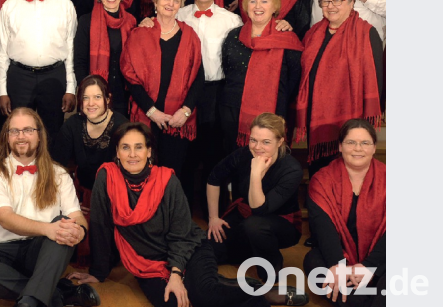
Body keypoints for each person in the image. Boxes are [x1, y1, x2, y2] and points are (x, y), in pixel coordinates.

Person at [69, 122, 301, 307]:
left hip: (188, 249)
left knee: (205, 296)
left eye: (139, 147)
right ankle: (222, 283)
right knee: (175, 303)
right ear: (117, 153)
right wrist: (99, 273)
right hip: (145, 263)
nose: (132, 154)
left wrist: (176, 274)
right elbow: (100, 226)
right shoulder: (106, 177)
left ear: (149, 151)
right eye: (125, 147)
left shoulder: (166, 179)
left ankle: (260, 295)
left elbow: (181, 234)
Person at [0, 108, 100, 307]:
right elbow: (5, 218)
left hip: (43, 253)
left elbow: (76, 216)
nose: (21, 136)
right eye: (14, 131)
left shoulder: (59, 174)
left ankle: (29, 302)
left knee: (63, 224)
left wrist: (79, 231)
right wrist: (48, 229)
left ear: (39, 135)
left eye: (27, 130)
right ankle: (57, 293)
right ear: (6, 137)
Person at [294, 0, 383, 175]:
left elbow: (376, 80)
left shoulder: (367, 33)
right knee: (319, 171)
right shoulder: (312, 34)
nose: (331, 6)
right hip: (316, 119)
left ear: (351, 2)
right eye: (325, 1)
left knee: (348, 172)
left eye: (337, 1)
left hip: (352, 118)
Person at [206, 113, 303, 285]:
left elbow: (260, 209)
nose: (257, 147)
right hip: (244, 215)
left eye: (266, 142)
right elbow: (214, 177)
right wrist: (213, 218)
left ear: (280, 142)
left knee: (255, 225)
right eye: (253, 140)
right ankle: (252, 249)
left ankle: (272, 266)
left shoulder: (292, 169)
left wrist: (256, 173)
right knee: (210, 247)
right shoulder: (243, 154)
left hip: (280, 224)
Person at [121, 0, 203, 174]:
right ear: (156, 1)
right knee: (143, 173)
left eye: (176, 0)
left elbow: (199, 77)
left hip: (178, 120)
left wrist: (184, 112)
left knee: (172, 174)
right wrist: (152, 111)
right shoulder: (139, 34)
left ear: (181, 5)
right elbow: (130, 78)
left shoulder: (190, 35)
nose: (170, 3)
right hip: (146, 116)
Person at [175, 0, 241, 201]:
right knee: (186, 153)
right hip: (182, 93)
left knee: (215, 150)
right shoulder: (178, 15)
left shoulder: (231, 20)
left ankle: (217, 211)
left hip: (216, 91)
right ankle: (185, 210)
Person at [0, 0, 78, 139]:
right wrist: (2, 91)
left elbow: (71, 49)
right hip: (19, 77)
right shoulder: (10, 6)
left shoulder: (65, 5)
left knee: (52, 133)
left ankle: (49, 169)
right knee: (19, 132)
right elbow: (0, 53)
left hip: (55, 77)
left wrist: (70, 88)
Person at [304, 119, 386, 307]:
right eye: (351, 142)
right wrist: (337, 265)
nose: (358, 148)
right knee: (313, 262)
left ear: (374, 148)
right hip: (339, 255)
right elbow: (324, 229)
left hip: (381, 258)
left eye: (365, 143)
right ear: (340, 146)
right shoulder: (322, 180)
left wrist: (369, 266)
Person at [51, 75, 129, 266]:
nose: (91, 103)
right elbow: (55, 167)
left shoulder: (121, 124)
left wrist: (104, 204)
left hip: (115, 196)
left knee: (108, 252)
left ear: (107, 99)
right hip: (82, 193)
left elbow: (130, 172)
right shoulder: (73, 125)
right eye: (85, 98)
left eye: (97, 97)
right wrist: (71, 202)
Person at [220, 0, 303, 156]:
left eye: (264, 1)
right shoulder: (233, 35)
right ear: (245, 6)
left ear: (274, 7)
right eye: (253, 1)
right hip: (232, 113)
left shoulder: (287, 39)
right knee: (237, 165)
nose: (258, 7)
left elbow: (293, 81)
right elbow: (228, 70)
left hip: (273, 114)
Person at [73, 0, 136, 116]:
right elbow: (80, 61)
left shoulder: (132, 22)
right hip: (94, 96)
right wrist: (87, 93)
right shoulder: (86, 21)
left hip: (123, 94)